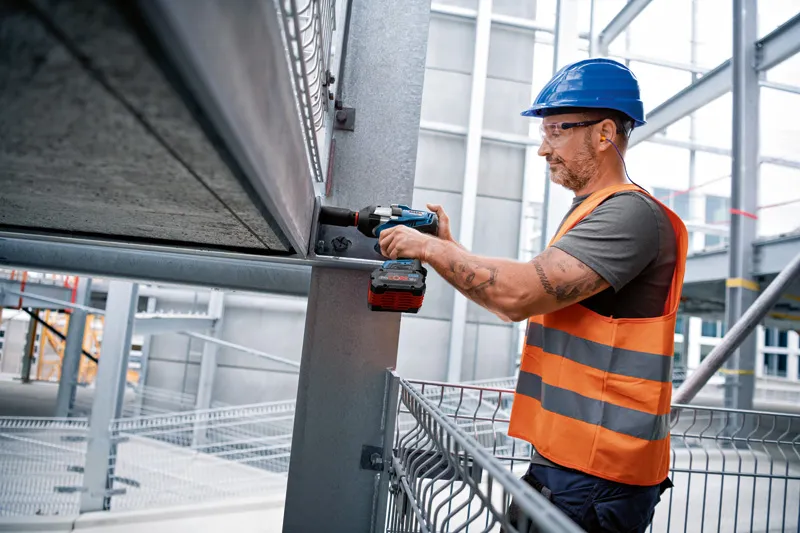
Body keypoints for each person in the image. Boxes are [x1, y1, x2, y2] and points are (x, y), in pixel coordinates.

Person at [378, 58, 688, 533]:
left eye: (556, 131)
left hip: (597, 473)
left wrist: (430, 249)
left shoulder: (630, 215)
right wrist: (449, 247)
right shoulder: (592, 211)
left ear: (604, 133)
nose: (544, 148)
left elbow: (518, 295)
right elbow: (518, 296)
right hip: (574, 465)